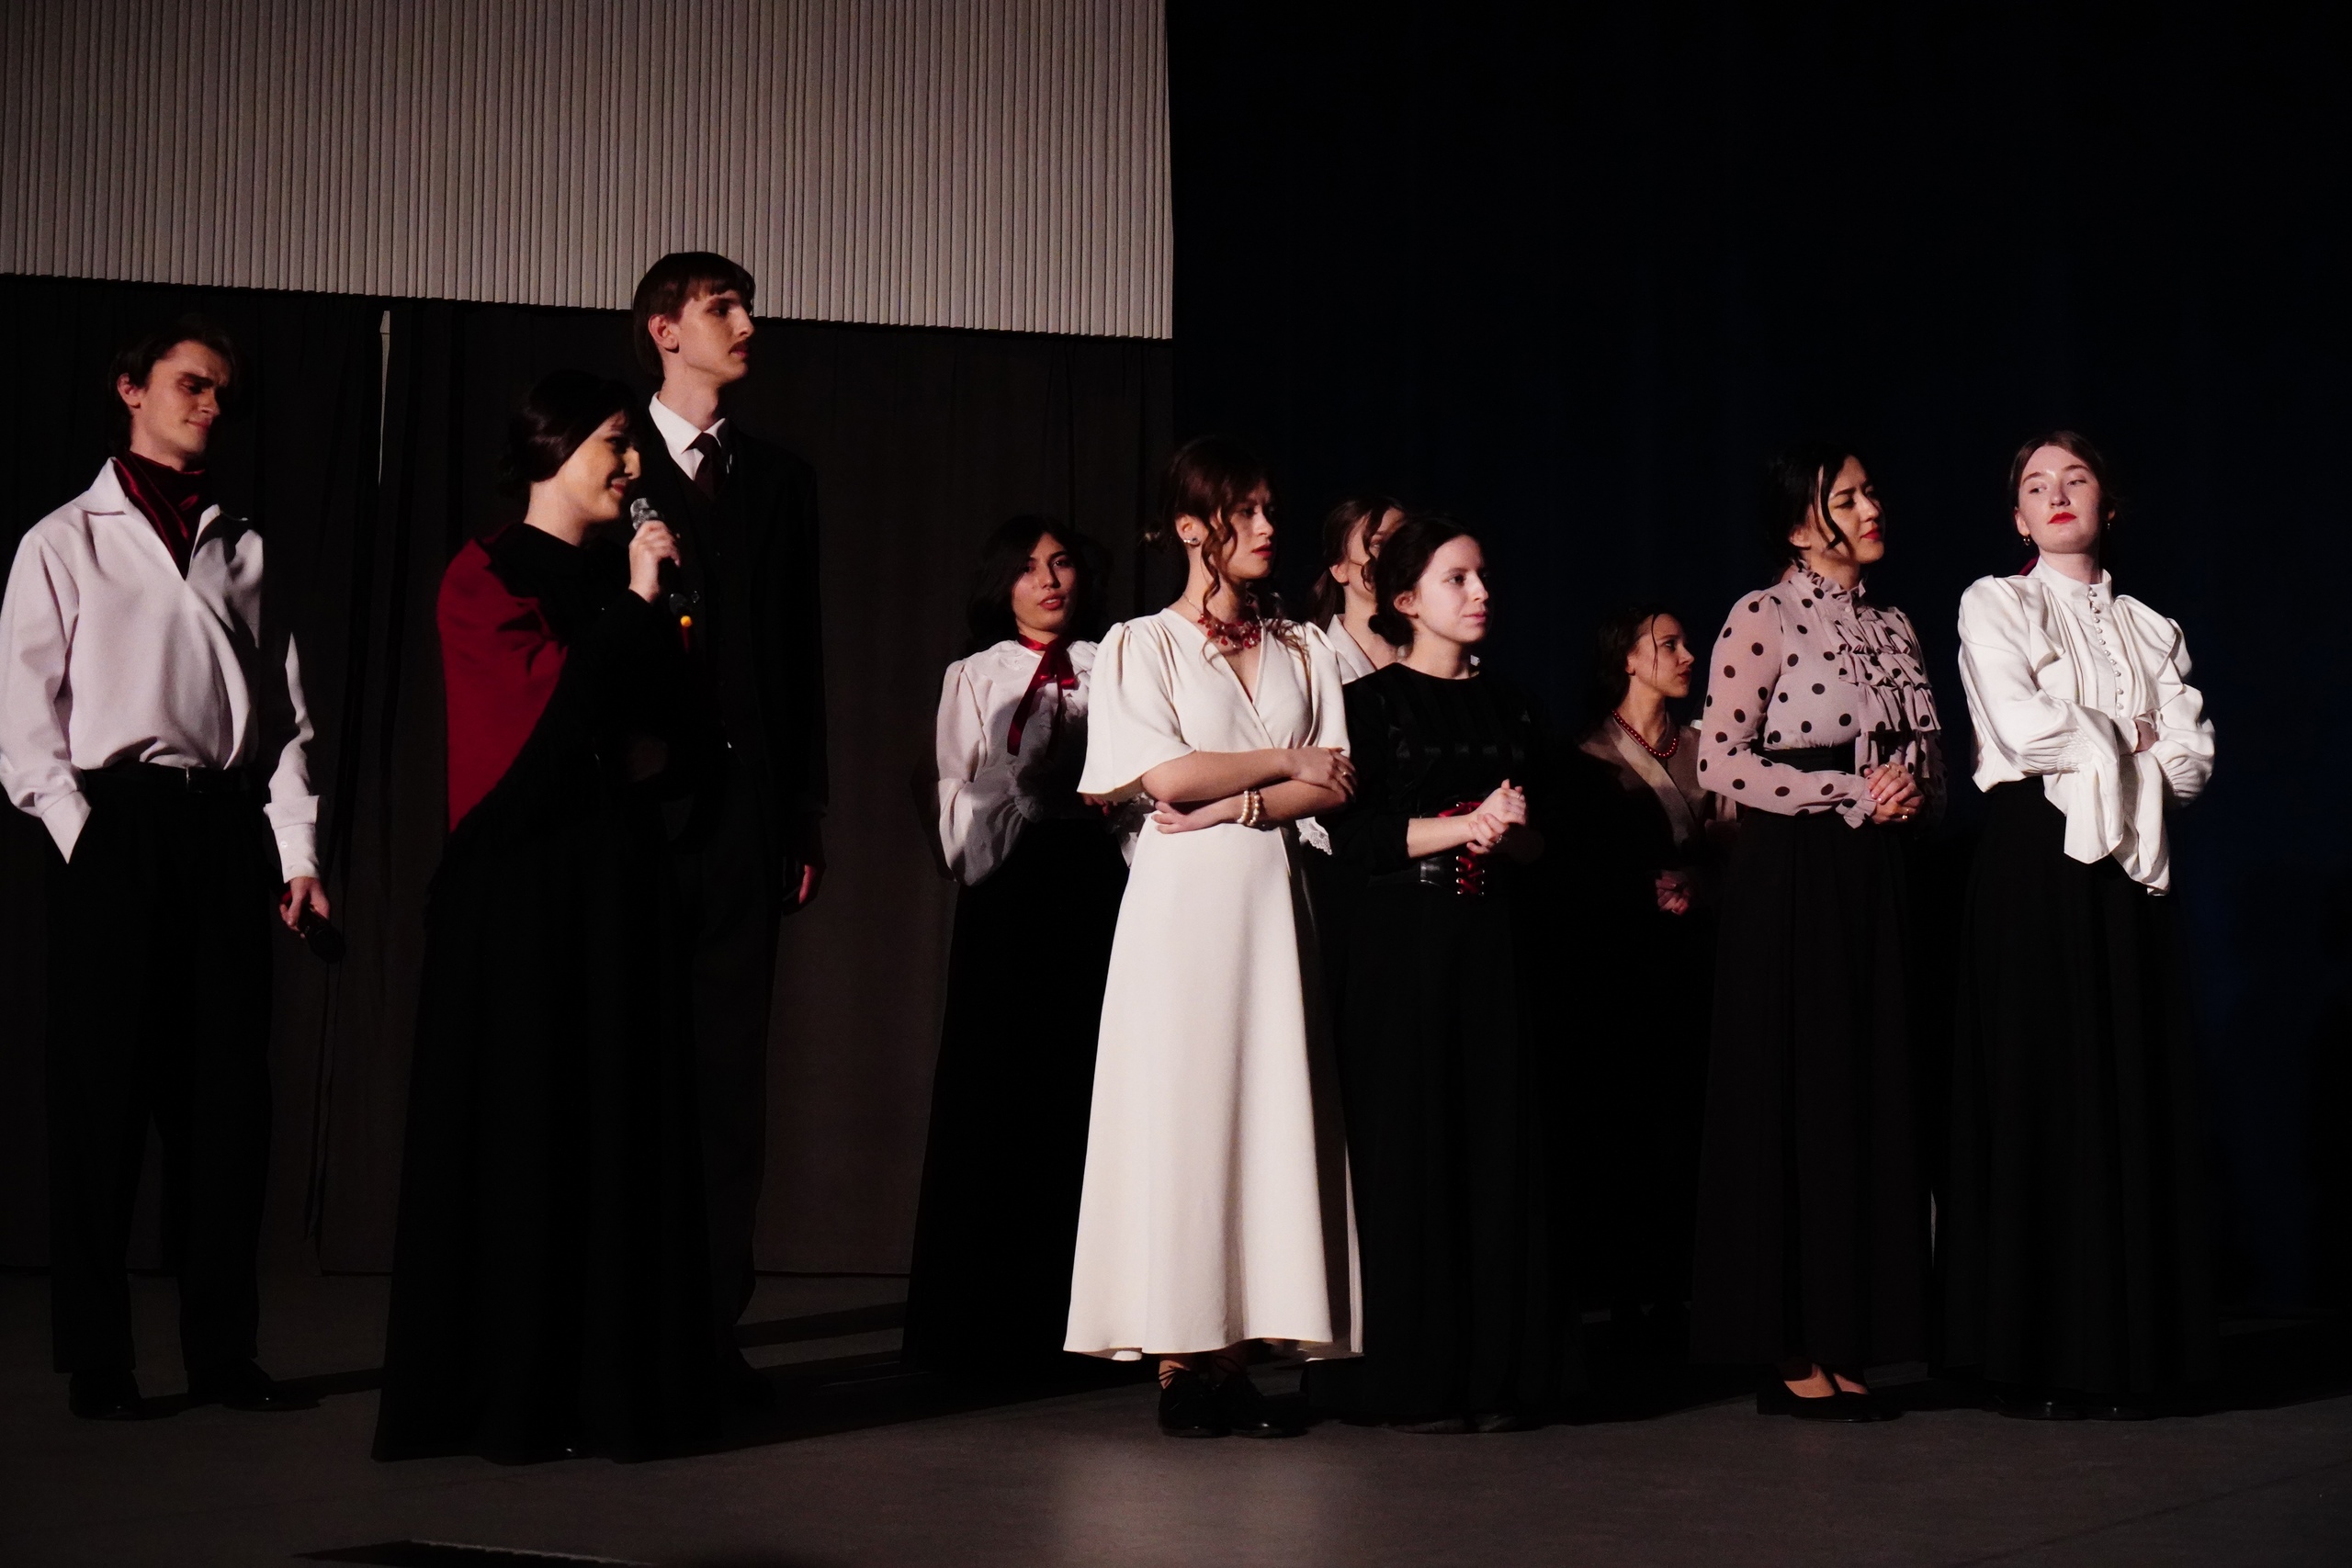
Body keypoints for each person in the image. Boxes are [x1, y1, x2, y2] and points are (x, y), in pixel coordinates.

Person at [374, 372, 722, 1462]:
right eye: (614, 444)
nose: (632, 466)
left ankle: (612, 1385)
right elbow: (538, 719)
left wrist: (657, 617)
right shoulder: (484, 572)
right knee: (526, 1130)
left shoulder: (621, 580)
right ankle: (515, 1391)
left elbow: (670, 726)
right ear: (552, 448)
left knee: (613, 1125)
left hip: (612, 884)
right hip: (520, 890)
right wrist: (632, 609)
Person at [0, 319, 322, 1421]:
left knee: (225, 1104)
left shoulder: (246, 546)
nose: (211, 406)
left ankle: (222, 1355)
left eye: (224, 392)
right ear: (130, 389)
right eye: (192, 385)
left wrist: (296, 853)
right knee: (101, 1102)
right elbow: (25, 719)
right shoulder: (63, 539)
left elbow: (285, 720)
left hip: (224, 830)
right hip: (118, 827)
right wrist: (82, 834)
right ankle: (99, 1363)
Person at [1066, 435, 1358, 1438]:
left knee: (1262, 1111)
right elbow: (1164, 776)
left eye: (1272, 508)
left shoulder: (1303, 646)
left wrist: (1243, 798)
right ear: (1194, 527)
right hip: (1180, 912)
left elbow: (1335, 780)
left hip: (1269, 902)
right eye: (1247, 511)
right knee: (1184, 1115)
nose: (1269, 527)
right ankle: (1180, 1360)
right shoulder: (1140, 645)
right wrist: (1282, 761)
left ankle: (1234, 1358)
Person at [1941, 432, 2218, 1419]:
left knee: (2127, 1088)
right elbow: (2022, 730)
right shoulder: (1995, 602)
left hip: (2131, 869)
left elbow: (2193, 762)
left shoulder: (2151, 626)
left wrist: (2120, 747)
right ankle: (2037, 1356)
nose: (2056, 494)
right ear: (2017, 518)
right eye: (2035, 485)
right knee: (2043, 1089)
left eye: (2076, 478)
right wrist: (2128, 738)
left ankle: (2131, 1354)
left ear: (2108, 500)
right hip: (2035, 862)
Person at [1306, 515, 1577, 1432]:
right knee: (1408, 1151)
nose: (1481, 592)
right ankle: (1410, 1376)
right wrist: (1466, 825)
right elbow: (1354, 837)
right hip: (1402, 945)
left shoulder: (1517, 706)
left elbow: (1548, 843)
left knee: (1496, 1149)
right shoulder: (1370, 704)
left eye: (1483, 575)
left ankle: (1497, 1374)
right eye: (1457, 578)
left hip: (1495, 942)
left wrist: (1511, 834)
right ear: (1407, 598)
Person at [1690, 444, 1940, 1422]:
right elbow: (1719, 759)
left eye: (1871, 490)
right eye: (1847, 497)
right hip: (1793, 870)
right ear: (1801, 526)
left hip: (1880, 869)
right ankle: (1789, 1341)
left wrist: (1910, 791)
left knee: (1868, 1090)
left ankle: (1851, 1330)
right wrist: (1843, 791)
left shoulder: (1894, 622)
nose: (1872, 506)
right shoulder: (1763, 613)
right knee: (1801, 1089)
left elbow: (1926, 754)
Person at [628, 253, 828, 1377]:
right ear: (665, 329)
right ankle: (625, 1319)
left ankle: (710, 1328)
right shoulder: (612, 459)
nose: (746, 323)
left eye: (745, 306)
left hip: (748, 819)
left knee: (728, 1083)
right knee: (632, 1070)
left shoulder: (781, 478)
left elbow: (800, 655)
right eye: (721, 308)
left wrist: (802, 811)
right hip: (641, 817)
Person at [902, 518, 1128, 1374]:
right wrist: (1022, 787)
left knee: (1087, 1079)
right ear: (1002, 584)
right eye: (1030, 567)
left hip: (1095, 882)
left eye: (1062, 562)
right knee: (1000, 1078)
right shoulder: (976, 674)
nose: (1049, 580)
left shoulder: (1115, 663)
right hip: (1010, 887)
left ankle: (1091, 1315)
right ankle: (986, 1319)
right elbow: (951, 792)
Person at [1570, 606, 1732, 1348]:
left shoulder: (1708, 748)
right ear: (1628, 659)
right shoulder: (1588, 757)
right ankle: (1627, 1289)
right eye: (1668, 644)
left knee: (1697, 1127)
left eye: (1685, 642)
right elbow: (1576, 869)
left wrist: (1702, 882)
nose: (1688, 654)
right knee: (1631, 1129)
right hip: (1626, 967)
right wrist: (1641, 890)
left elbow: (1739, 847)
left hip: (1703, 959)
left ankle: (1691, 1286)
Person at [1310, 495, 1408, 682]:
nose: (1398, 555)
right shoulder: (1317, 665)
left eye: (1404, 543)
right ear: (1339, 569)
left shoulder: (1438, 653)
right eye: (1378, 544)